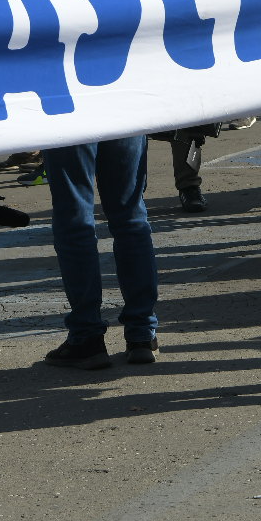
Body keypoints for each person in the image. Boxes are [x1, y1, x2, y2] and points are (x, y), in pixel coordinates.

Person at [41, 137, 159, 368]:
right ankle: (141, 332)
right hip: (121, 111)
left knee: (75, 221)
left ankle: (87, 336)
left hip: (69, 116)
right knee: (131, 218)